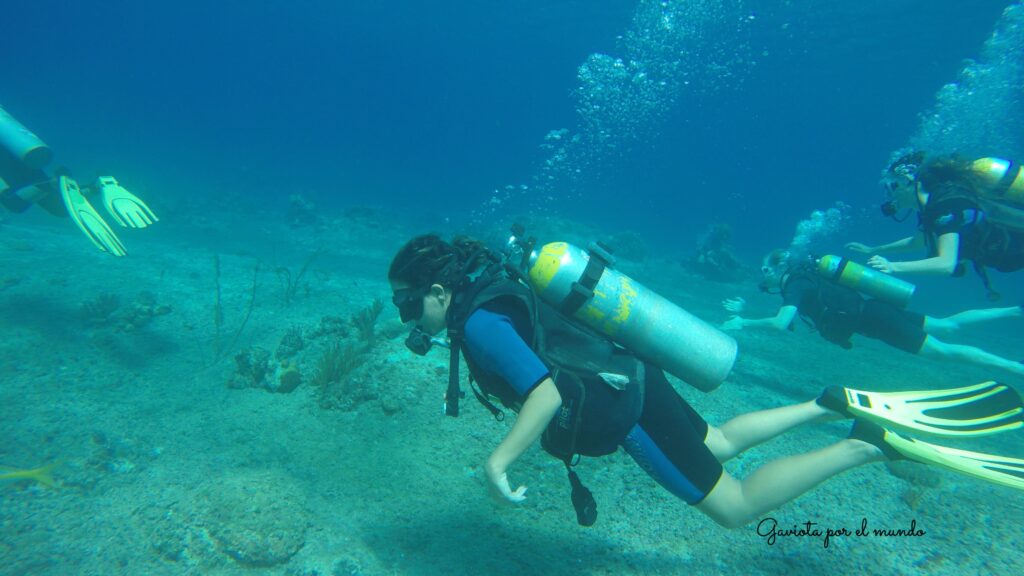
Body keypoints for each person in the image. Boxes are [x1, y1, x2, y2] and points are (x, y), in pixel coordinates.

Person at [388, 233, 1024, 529]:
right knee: (715, 442)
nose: (408, 317)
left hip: (623, 404)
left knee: (736, 507)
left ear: (439, 291)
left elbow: (546, 392)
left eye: (407, 305)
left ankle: (865, 443)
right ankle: (825, 404)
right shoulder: (499, 283)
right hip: (632, 371)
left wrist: (497, 462)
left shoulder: (478, 323)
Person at [722, 249, 1024, 377]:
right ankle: (1011, 310)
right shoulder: (808, 276)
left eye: (765, 270)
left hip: (877, 320)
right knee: (948, 325)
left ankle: (1014, 367)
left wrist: (743, 322)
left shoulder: (795, 286)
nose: (763, 278)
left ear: (776, 268)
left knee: (943, 351)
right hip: (876, 309)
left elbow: (780, 323)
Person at [846, 152, 1024, 296]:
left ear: (908, 180)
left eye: (893, 187)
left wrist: (893, 267)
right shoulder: (934, 207)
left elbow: (945, 264)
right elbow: (917, 241)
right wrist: (873, 250)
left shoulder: (945, 204)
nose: (891, 196)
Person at [1, 104, 157, 256]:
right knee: (60, 208)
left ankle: (51, 184)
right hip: (17, 153)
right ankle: (97, 185)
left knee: (14, 203)